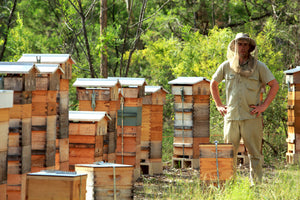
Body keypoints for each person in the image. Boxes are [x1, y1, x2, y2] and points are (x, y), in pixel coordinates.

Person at [210, 33, 279, 185]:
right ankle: (230, 185)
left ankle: (257, 186)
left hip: (251, 117)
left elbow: (274, 85)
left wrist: (264, 105)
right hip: (231, 117)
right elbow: (213, 84)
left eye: (245, 44)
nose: (242, 47)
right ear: (234, 46)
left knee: (255, 154)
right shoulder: (226, 66)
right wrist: (219, 104)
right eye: (239, 44)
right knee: (229, 154)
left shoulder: (259, 66)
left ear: (249, 47)